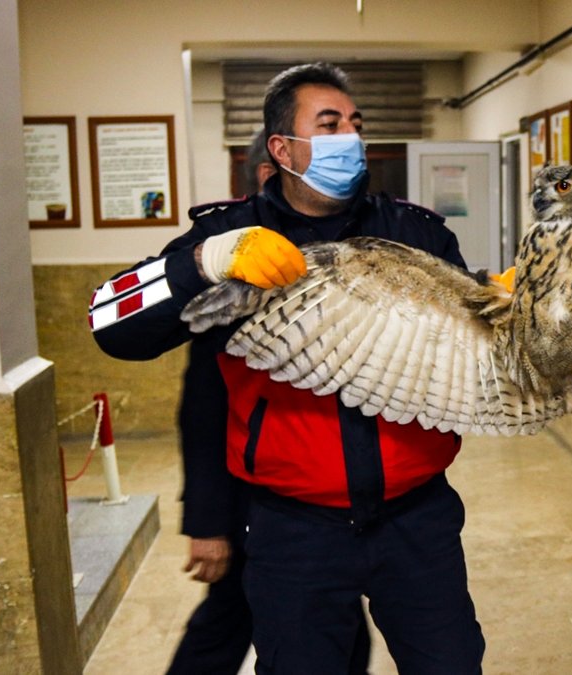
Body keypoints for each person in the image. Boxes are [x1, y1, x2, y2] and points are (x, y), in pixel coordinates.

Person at [89, 62, 484, 673]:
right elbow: (112, 322)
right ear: (282, 147)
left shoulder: (413, 232)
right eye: (329, 126)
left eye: (356, 124)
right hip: (292, 532)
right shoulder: (230, 233)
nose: (350, 138)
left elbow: (474, 346)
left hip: (417, 521)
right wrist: (205, 260)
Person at [164, 126, 372, 675]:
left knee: (341, 629)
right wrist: (208, 523)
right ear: (268, 174)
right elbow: (203, 409)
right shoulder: (234, 277)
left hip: (325, 508)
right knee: (226, 626)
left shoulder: (323, 266)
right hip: (254, 503)